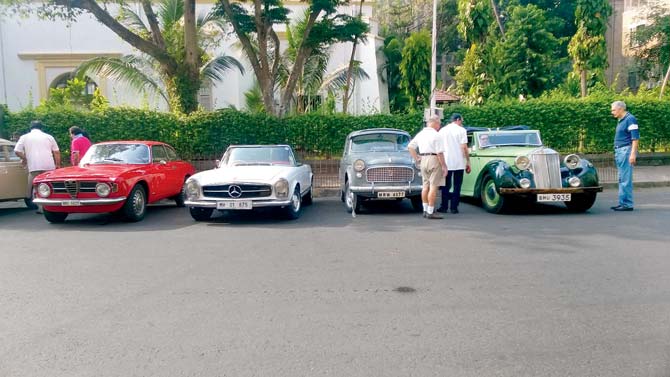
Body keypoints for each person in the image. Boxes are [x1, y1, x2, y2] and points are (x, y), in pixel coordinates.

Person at [14, 120, 61, 210]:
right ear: (41, 128)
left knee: (35, 186)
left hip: (34, 166)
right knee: (49, 186)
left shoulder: (24, 137)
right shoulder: (48, 137)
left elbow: (17, 150)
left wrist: (25, 158)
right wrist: (57, 164)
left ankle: (39, 207)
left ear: (30, 128)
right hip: (49, 165)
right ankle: (51, 207)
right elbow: (56, 152)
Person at [408, 115, 448, 219]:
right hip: (434, 159)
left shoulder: (420, 134)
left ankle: (425, 209)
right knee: (434, 186)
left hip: (423, 159)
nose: (439, 125)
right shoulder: (436, 135)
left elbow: (410, 146)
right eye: (439, 123)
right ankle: (431, 211)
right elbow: (439, 153)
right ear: (434, 123)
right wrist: (444, 166)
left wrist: (416, 158)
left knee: (425, 186)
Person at [437, 113, 471, 214]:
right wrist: (468, 161)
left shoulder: (442, 130)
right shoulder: (462, 130)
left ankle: (444, 206)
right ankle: (454, 207)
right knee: (457, 185)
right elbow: (464, 147)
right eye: (461, 121)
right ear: (458, 119)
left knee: (445, 185)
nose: (462, 123)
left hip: (446, 162)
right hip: (459, 162)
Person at [610, 100, 639, 211]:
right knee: (622, 178)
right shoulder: (621, 120)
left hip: (626, 151)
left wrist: (632, 154)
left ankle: (627, 204)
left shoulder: (630, 119)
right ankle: (623, 202)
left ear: (621, 109)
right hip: (620, 151)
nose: (612, 112)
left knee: (625, 179)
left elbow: (635, 138)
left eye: (613, 110)